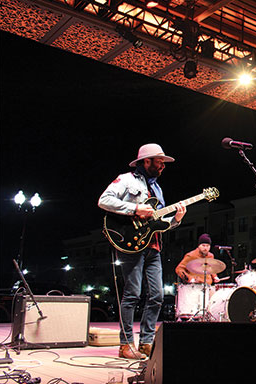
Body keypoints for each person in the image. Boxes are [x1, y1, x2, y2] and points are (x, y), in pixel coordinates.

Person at [99, 143, 186, 360]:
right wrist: (135, 209)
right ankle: (126, 344)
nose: (163, 166)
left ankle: (146, 342)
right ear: (146, 161)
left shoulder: (158, 189)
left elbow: (159, 222)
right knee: (132, 294)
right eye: (159, 162)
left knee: (157, 296)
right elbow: (104, 200)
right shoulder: (126, 179)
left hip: (154, 246)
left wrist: (175, 220)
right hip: (130, 244)